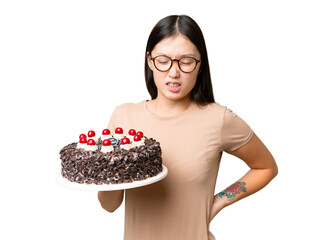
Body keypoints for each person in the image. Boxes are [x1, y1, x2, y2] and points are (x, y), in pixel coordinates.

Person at [98, 15, 278, 240]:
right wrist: (106, 168)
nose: (173, 73)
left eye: (186, 61)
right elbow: (109, 205)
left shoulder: (218, 119)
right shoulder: (124, 118)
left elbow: (265, 167)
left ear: (200, 64)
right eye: (163, 60)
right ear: (149, 60)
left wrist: (217, 202)